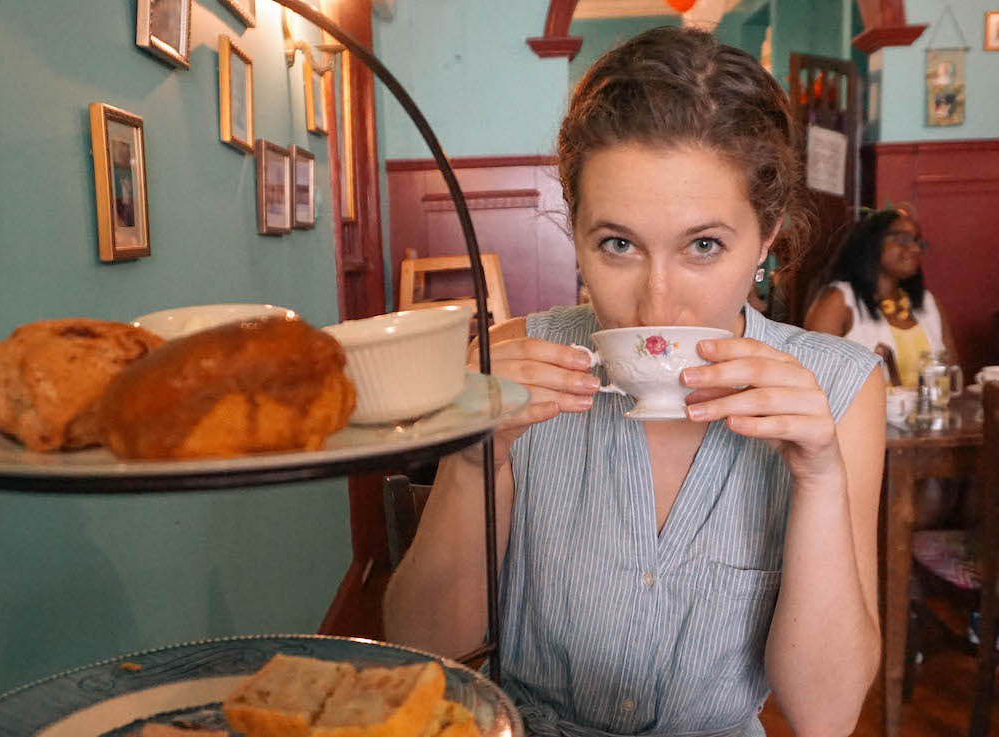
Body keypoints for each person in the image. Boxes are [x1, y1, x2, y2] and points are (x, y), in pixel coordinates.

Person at [384, 27, 884, 737]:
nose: (657, 305)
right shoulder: (508, 361)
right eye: (617, 244)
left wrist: (819, 476)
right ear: (576, 231)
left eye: (703, 245)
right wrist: (473, 460)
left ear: (768, 235)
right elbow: (425, 661)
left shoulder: (840, 389)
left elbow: (825, 716)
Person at [805, 206, 958, 388]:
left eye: (918, 241)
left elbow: (954, 375)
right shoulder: (839, 301)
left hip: (929, 415)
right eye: (903, 239)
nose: (916, 248)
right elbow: (813, 376)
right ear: (872, 243)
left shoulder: (928, 303)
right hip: (862, 416)